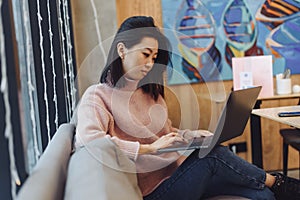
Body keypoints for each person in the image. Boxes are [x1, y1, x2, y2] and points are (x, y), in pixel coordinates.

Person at [74, 16, 300, 200]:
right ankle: (280, 181)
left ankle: (275, 185)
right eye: (145, 54)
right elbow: (88, 141)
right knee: (214, 155)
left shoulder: (149, 92)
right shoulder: (98, 96)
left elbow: (167, 135)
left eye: (154, 57)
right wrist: (148, 149)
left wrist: (190, 136)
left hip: (181, 174)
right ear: (122, 49)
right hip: (156, 192)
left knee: (263, 195)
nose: (151, 63)